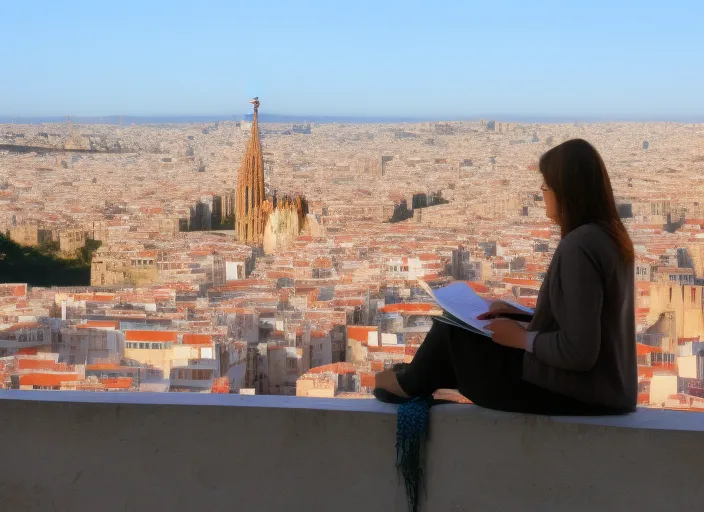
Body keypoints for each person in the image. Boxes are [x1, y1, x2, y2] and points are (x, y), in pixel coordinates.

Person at [375, 138, 637, 415]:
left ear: (567, 191)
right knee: (461, 339)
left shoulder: (579, 246)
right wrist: (522, 314)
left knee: (450, 330)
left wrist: (522, 339)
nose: (542, 194)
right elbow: (586, 317)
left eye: (546, 187)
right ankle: (416, 376)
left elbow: (580, 351)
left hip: (572, 392)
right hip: (604, 389)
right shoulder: (609, 237)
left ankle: (408, 383)